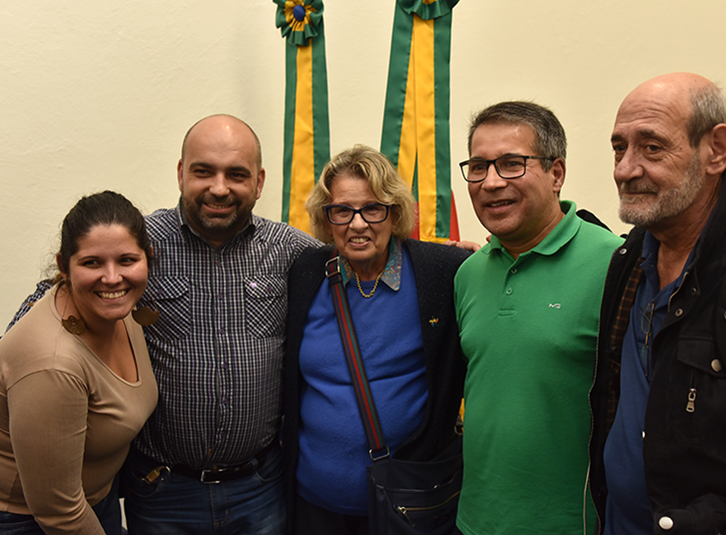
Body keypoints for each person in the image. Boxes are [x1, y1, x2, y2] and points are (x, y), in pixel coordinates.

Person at [589, 73, 726, 534]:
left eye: (651, 147)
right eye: (618, 148)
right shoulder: (630, 257)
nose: (625, 170)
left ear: (716, 151)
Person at [118, 115, 320, 534]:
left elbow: (365, 262)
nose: (219, 187)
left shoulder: (292, 251)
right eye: (203, 171)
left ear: (260, 182)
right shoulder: (139, 247)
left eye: (237, 174)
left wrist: (446, 258)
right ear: (180, 173)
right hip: (163, 491)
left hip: (260, 489)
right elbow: (71, 288)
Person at [454, 101, 623, 535]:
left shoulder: (614, 265)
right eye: (478, 166)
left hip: (572, 525)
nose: (491, 182)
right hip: (474, 520)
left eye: (511, 164)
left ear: (556, 173)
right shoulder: (469, 273)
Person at [282, 145, 470, 534]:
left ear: (395, 213)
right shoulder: (306, 272)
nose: (357, 224)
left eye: (372, 208)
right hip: (315, 503)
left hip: (410, 502)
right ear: (326, 218)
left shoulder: (442, 271)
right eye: (342, 211)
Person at [0, 191, 158, 534]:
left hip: (96, 500)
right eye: (92, 263)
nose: (113, 278)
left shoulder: (117, 311)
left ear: (148, 258)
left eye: (127, 260)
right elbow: (59, 512)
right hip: (28, 520)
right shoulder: (52, 363)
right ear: (63, 266)